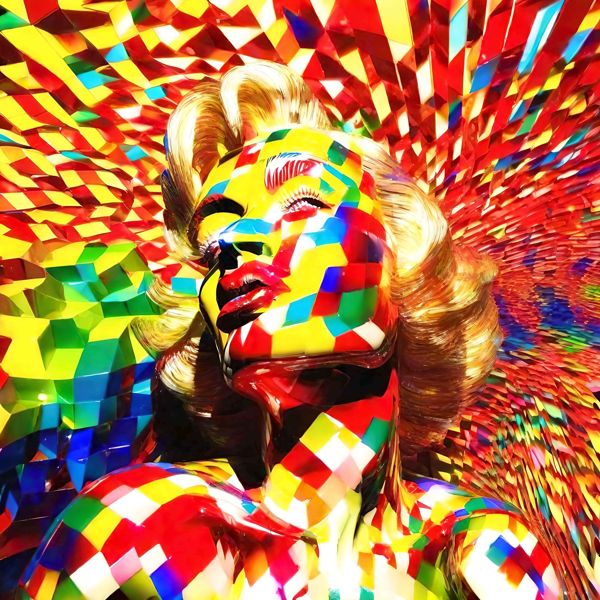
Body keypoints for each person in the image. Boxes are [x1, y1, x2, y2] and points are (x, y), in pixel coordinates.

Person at [20, 62, 562, 600]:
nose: (234, 241)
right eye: (213, 238)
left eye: (303, 203)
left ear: (402, 257)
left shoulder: (484, 551)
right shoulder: (144, 532)